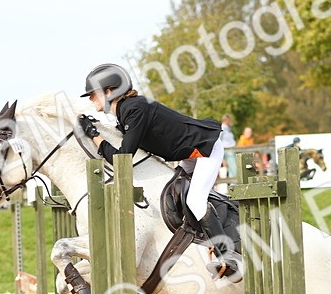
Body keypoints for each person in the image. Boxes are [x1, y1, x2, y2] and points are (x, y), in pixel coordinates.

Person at [75, 62, 236, 278]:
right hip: (187, 155)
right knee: (177, 196)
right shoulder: (126, 111)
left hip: (205, 149)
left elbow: (122, 158)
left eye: (93, 94)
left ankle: (228, 257)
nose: (91, 99)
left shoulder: (135, 108)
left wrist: (95, 135)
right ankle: (205, 238)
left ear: (110, 91)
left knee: (195, 201)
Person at [219, 114, 238, 181]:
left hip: (231, 150)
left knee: (233, 169)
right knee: (233, 168)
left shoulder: (228, 129)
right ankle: (233, 185)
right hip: (228, 151)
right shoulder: (222, 128)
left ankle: (233, 184)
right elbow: (219, 140)